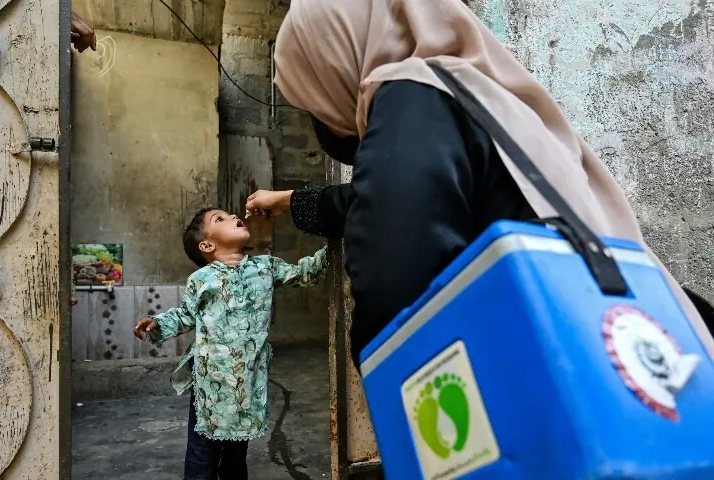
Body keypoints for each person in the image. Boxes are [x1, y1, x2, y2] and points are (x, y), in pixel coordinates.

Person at [245, 0, 714, 369]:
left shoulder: (411, 95)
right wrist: (296, 202)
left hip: (559, 390)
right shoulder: (482, 94)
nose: (321, 113)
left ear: (332, 52)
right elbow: (402, 206)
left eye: (310, 89)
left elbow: (400, 303)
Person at [133, 208, 327, 479]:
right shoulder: (201, 280)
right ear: (207, 245)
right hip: (210, 381)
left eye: (231, 215)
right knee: (202, 451)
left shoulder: (265, 267)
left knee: (236, 453)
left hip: (246, 381)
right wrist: (158, 323)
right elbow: (186, 315)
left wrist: (336, 244)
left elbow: (305, 273)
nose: (234, 217)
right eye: (219, 219)